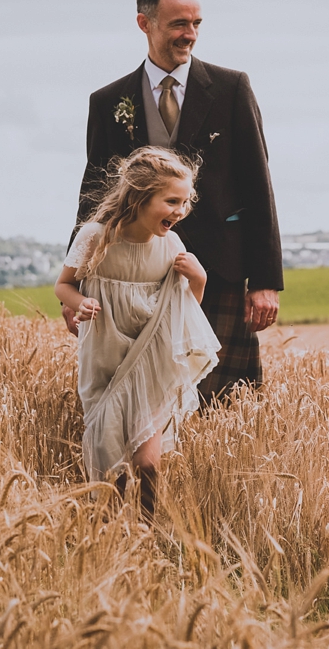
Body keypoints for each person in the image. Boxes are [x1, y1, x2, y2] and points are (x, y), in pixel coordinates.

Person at [66, 0, 283, 400]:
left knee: (222, 399)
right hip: (134, 274)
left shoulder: (230, 88)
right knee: (142, 394)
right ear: (145, 24)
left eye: (196, 24)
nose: (190, 35)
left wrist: (264, 279)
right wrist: (75, 286)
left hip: (217, 269)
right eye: (179, 24)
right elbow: (95, 193)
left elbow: (259, 186)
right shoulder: (109, 102)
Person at [56, 147, 221, 513]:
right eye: (172, 201)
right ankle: (110, 536)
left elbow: (182, 311)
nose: (180, 211)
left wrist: (201, 280)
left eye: (185, 201)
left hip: (152, 365)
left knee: (148, 465)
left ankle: (147, 535)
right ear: (141, 196)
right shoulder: (95, 238)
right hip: (105, 360)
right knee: (110, 462)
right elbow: (62, 285)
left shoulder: (172, 247)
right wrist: (78, 302)